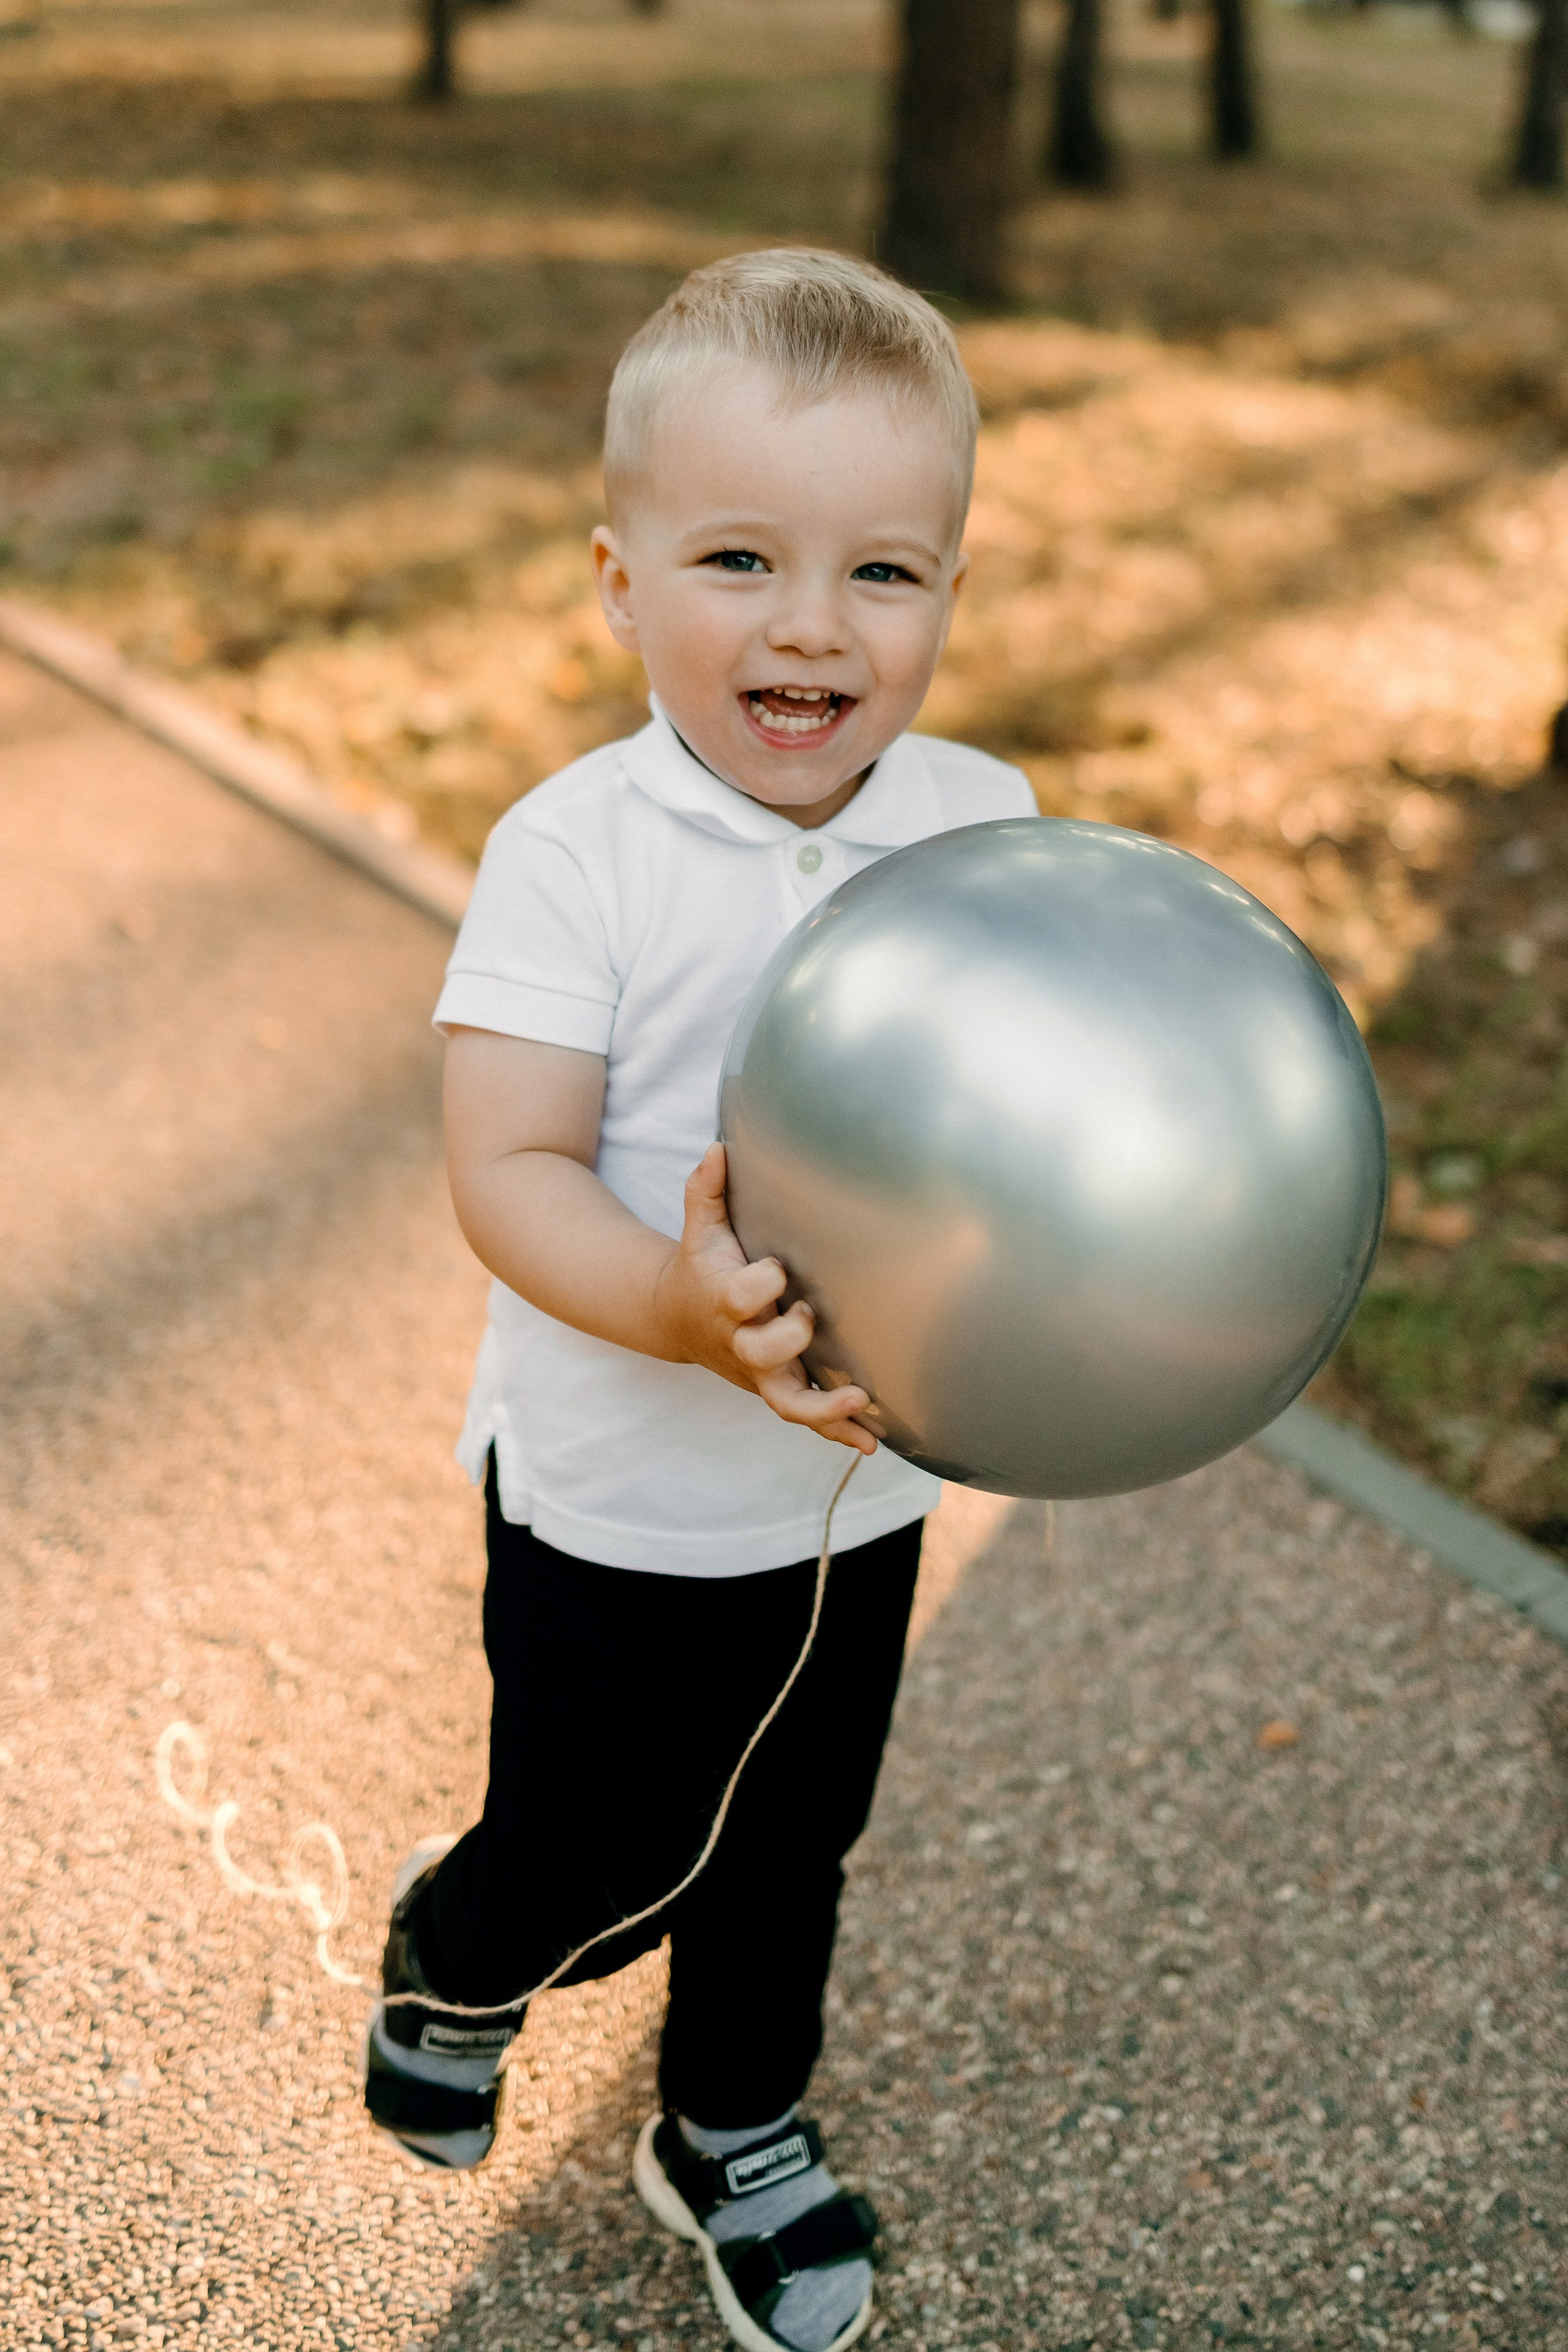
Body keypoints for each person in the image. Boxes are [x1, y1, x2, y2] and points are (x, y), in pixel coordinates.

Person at [361, 247, 1034, 2352]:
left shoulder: (984, 830)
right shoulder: (581, 852)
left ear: (947, 590)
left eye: (885, 572)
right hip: (620, 1495)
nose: (814, 623)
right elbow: (509, 1170)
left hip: (861, 1497)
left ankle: (731, 2127)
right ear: (618, 582)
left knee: (792, 1841)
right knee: (593, 1835)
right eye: (740, 556)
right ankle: (462, 1953)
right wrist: (673, 1306)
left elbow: (1034, 1113)